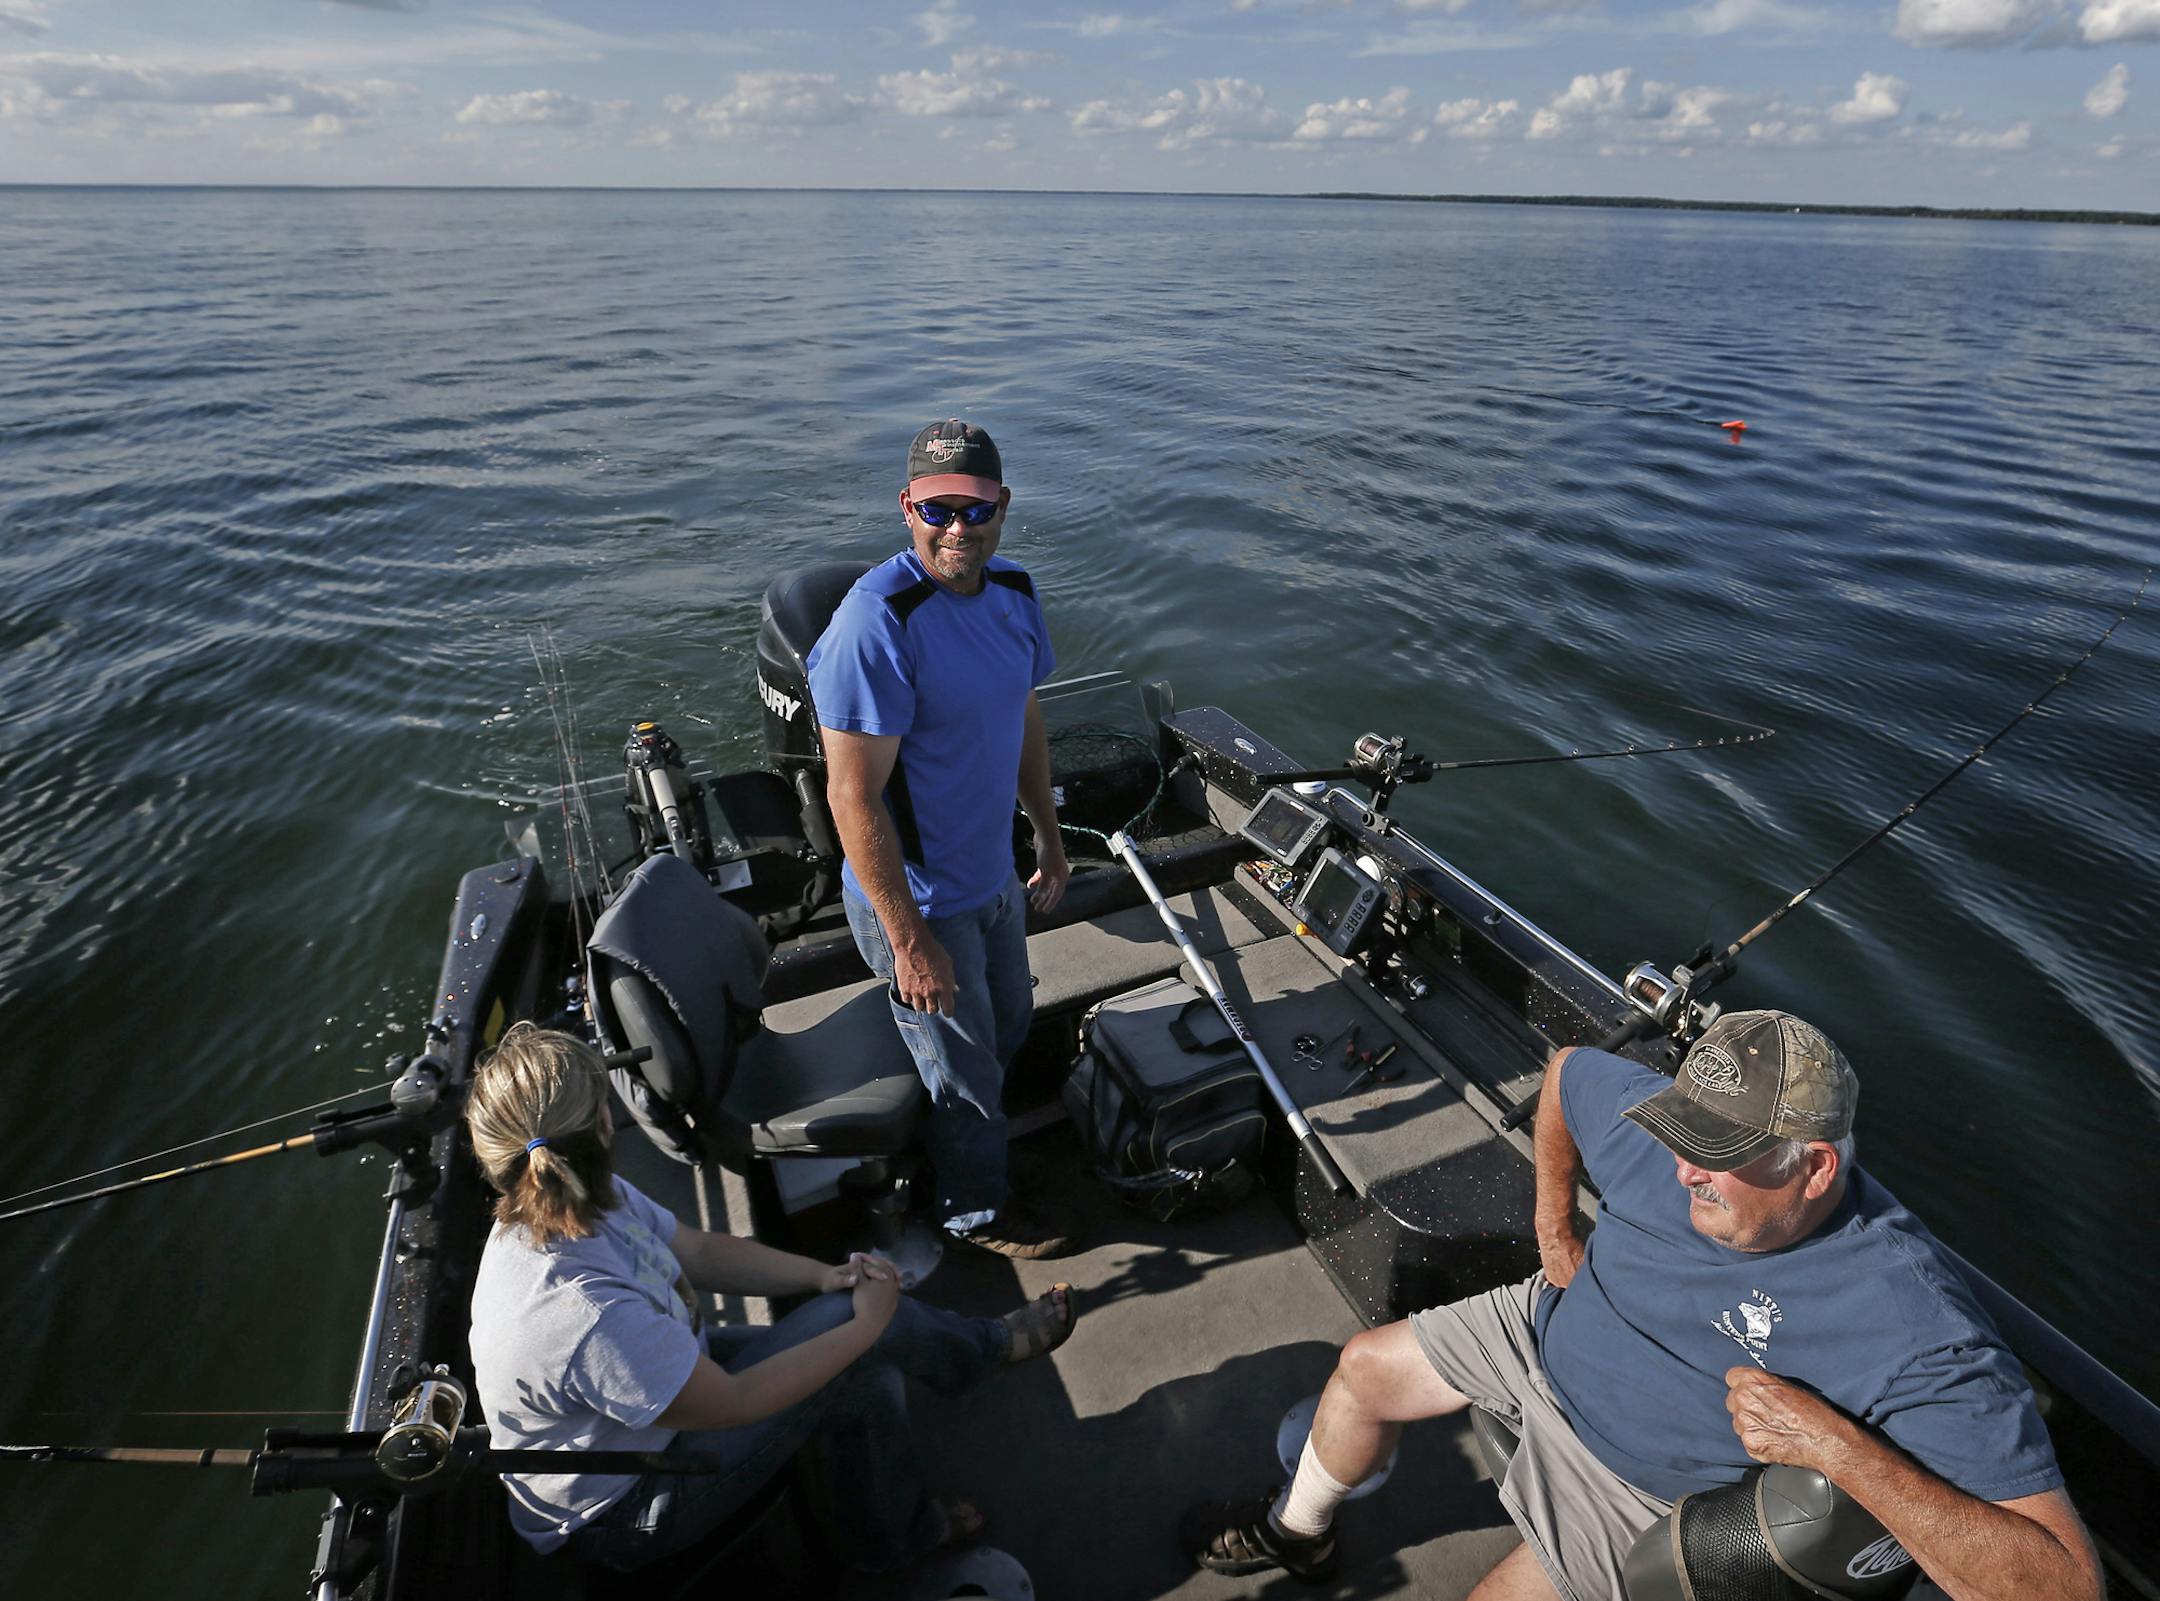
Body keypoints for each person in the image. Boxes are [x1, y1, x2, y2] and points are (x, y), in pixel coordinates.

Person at [1185, 1009, 2103, 1601]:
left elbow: (2062, 1582)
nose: (1684, 1168)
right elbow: (1566, 1072)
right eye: (1681, 1131)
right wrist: (1552, 1224)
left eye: (1718, 1153)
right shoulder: (1667, 1143)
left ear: (1816, 1167)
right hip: (1543, 1329)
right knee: (1360, 1371)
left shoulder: (1912, 1320)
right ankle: (1297, 1533)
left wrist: (1834, 1447)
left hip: (1627, 1484)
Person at [464, 1023, 1077, 1572]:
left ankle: (893, 1527)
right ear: (602, 1128)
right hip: (630, 1507)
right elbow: (735, 1401)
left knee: (860, 1358)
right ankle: (980, 1363)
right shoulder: (581, 1312)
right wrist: (864, 1326)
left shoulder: (573, 1196)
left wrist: (822, 1277)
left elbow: (699, 1252)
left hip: (660, 1400)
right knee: (856, 1348)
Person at [805, 418, 1077, 1258]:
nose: (958, 527)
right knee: (967, 1073)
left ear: (1003, 507)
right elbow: (851, 796)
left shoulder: (1016, 592)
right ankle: (972, 1212)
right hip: (919, 903)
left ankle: (954, 1152)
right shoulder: (876, 622)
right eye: (938, 509)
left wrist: (1047, 836)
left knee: (1007, 1027)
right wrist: (908, 940)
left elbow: (1024, 716)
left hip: (992, 876)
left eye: (976, 509)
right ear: (907, 508)